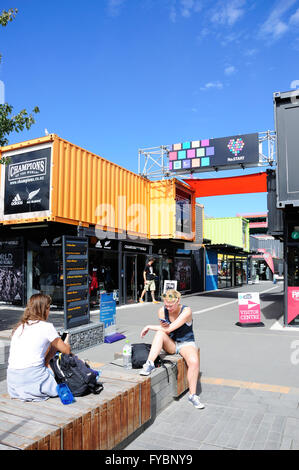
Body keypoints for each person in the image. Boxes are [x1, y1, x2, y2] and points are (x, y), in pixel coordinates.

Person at [139, 289, 204, 409]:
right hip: (171, 343)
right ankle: (149, 364)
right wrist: (158, 327)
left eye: (171, 305)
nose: (168, 308)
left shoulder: (186, 311)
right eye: (166, 305)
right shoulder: (162, 311)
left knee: (194, 362)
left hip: (186, 343)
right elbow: (165, 329)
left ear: (178, 301)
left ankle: (193, 395)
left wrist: (148, 326)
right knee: (159, 333)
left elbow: (169, 329)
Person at [7, 293, 71, 402]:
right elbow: (66, 350)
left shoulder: (20, 327)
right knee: (56, 369)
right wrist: (67, 340)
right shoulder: (47, 327)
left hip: (13, 383)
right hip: (32, 380)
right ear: (45, 309)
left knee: (50, 352)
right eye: (49, 307)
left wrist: (46, 359)